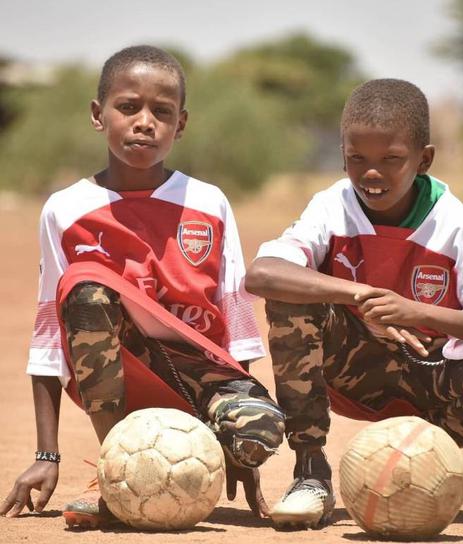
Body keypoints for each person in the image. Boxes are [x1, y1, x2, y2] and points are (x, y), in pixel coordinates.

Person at [0, 45, 284, 528]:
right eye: (128, 107)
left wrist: (241, 448)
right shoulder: (65, 209)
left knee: (262, 425)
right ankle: (118, 471)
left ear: (181, 124)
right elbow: (49, 334)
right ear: (98, 114)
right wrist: (47, 453)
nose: (145, 123)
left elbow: (235, 321)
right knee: (86, 288)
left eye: (162, 112)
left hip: (198, 377)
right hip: (120, 380)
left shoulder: (209, 202)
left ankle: (209, 450)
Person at [245, 78, 463, 529]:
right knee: (293, 297)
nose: (372, 173)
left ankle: (422, 456)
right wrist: (359, 295)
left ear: (424, 159)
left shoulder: (453, 222)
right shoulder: (332, 206)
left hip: (431, 371)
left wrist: (416, 311)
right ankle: (310, 472)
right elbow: (262, 274)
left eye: (391, 159)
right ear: (343, 154)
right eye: (357, 159)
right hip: (354, 368)